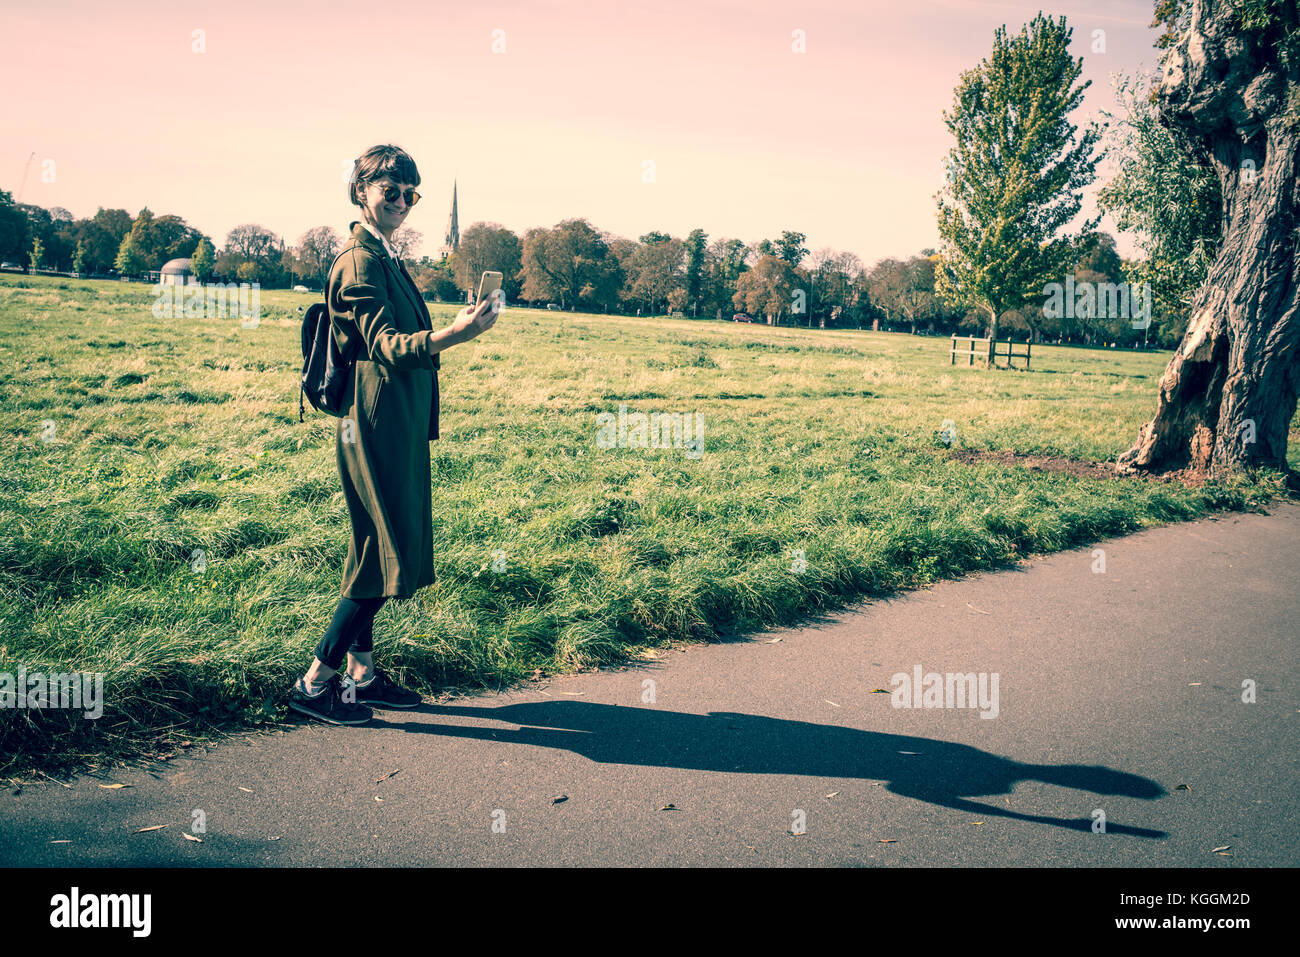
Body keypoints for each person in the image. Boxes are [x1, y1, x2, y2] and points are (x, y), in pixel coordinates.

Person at [289, 143, 498, 725]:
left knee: (372, 549)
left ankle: (362, 678)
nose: (403, 202)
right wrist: (455, 336)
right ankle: (314, 684)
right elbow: (385, 345)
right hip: (373, 425)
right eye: (390, 191)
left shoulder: (384, 254)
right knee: (386, 553)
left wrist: (461, 323)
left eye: (411, 194)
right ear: (361, 192)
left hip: (395, 421)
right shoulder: (359, 261)